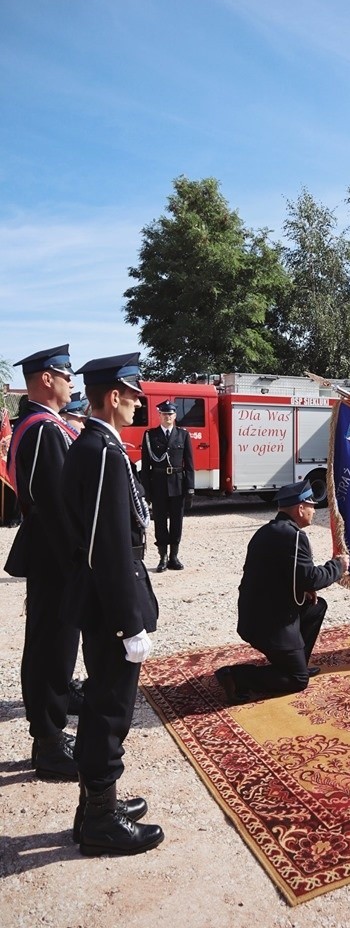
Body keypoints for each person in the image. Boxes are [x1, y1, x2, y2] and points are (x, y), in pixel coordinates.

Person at [61, 353, 163, 856]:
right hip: (109, 604)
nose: (140, 399)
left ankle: (94, 808)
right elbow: (107, 544)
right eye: (133, 391)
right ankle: (100, 821)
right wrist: (129, 623)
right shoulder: (101, 451)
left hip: (105, 595)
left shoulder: (102, 445)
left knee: (107, 701)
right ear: (113, 396)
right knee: (109, 708)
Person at [3, 344, 80, 780]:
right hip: (57, 556)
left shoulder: (40, 425)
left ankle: (47, 732)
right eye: (66, 375)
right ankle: (49, 744)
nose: (72, 383)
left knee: (48, 644)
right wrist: (81, 558)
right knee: (54, 647)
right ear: (47, 379)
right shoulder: (45, 429)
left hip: (49, 552)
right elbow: (57, 504)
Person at [215, 480, 349, 703]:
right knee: (297, 681)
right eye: (311, 506)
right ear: (300, 509)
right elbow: (312, 578)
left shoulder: (268, 531)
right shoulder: (294, 536)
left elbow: (278, 575)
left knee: (317, 607)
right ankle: (236, 676)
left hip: (259, 615)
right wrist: (338, 566)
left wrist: (303, 588)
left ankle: (296, 663)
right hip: (270, 624)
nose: (314, 511)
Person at [140, 400, 194, 571]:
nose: (167, 417)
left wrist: (190, 488)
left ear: (175, 416)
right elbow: (146, 466)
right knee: (161, 522)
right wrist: (146, 491)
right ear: (160, 415)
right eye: (164, 414)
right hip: (159, 485)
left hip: (178, 484)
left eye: (170, 414)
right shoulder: (150, 435)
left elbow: (190, 464)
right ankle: (162, 558)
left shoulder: (183, 435)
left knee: (177, 522)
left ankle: (174, 557)